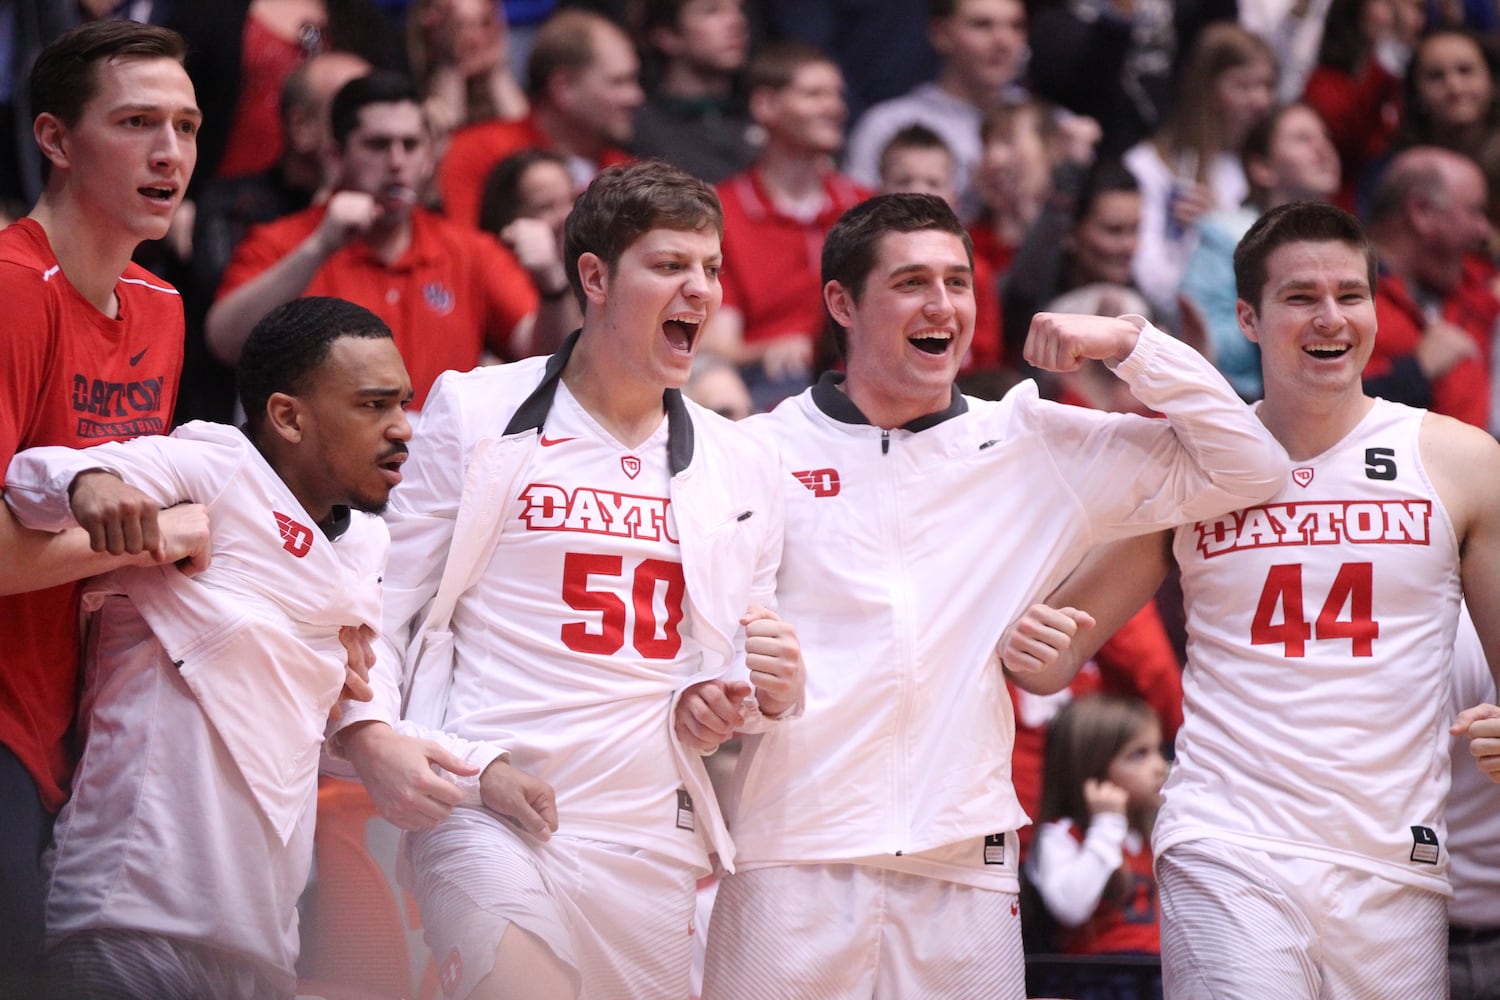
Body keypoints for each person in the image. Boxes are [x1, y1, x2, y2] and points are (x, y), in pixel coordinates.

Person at [692, 192, 1288, 1000]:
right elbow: (713, 643)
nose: (943, 305)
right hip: (790, 858)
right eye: (910, 282)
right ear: (842, 302)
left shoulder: (1029, 439)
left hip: (965, 870)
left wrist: (1131, 345)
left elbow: (1250, 467)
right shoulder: (753, 452)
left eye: (958, 282)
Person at [1000, 201, 1500, 997]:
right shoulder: (1197, 465)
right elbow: (1057, 656)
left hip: (1393, 855)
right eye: (1301, 297)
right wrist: (1029, 641)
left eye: (1350, 294)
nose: (1330, 317)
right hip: (1228, 840)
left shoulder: (1463, 460)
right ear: (1249, 318)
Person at [332, 160, 805, 999]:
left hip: (649, 832)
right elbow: (383, 598)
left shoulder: (746, 461)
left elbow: (736, 666)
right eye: (670, 266)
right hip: (483, 795)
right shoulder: (478, 410)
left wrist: (749, 688)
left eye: (711, 268)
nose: (700, 289)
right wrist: (369, 733)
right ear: (593, 276)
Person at [5, 296, 411, 1000]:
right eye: (374, 406)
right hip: (124, 920)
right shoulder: (211, 465)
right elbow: (30, 476)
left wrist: (383, 732)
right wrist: (91, 481)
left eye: (403, 403)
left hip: (262, 943)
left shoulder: (371, 540)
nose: (403, 427)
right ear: (288, 416)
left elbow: (358, 699)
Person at [0, 21, 205, 989]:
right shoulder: (11, 290)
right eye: (136, 123)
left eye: (188, 125)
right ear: (55, 137)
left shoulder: (160, 308)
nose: (171, 153)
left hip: (70, 719)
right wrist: (172, 534)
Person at [207, 70, 568, 412]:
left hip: (441, 465)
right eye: (378, 145)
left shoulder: (469, 250)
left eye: (410, 145)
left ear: (428, 156)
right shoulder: (285, 241)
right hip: (317, 467)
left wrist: (552, 285)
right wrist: (319, 248)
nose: (397, 162)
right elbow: (225, 342)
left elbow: (546, 361)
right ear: (335, 155)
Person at [705, 40, 871, 411]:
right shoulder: (723, 212)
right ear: (765, 105)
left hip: (862, 380)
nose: (835, 107)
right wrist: (776, 347)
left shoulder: (865, 207)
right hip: (767, 387)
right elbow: (718, 347)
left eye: (836, 95)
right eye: (814, 94)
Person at [1179, 101, 1342, 400]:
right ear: (1262, 168)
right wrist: (1286, 322)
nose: (1324, 150)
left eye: (1326, 137)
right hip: (1244, 407)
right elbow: (1204, 341)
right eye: (1302, 139)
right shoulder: (1226, 236)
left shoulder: (1348, 244)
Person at [437, 8, 641, 228]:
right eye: (619, 82)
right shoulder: (475, 152)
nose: (636, 97)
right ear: (563, 87)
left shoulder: (627, 174)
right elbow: (461, 251)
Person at [842, 0, 1029, 221]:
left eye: (1016, 26)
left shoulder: (1051, 122)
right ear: (941, 33)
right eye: (982, 25)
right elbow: (855, 233)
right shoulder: (888, 124)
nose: (1003, 41)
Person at [1364, 145, 1496, 432]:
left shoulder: (1473, 283)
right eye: (1474, 212)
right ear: (1420, 211)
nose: (1484, 230)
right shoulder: (1339, 301)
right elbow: (1313, 410)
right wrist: (1416, 372)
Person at [1028, 695, 1166, 968]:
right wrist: (1107, 825)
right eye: (1139, 754)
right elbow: (1071, 907)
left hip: (1155, 976)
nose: (1159, 766)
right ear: (1092, 768)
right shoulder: (1061, 837)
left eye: (1158, 750)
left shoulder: (1151, 832)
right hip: (1098, 980)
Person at [877, 123, 1002, 374]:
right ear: (878, 192)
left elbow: (987, 358)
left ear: (954, 196)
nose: (917, 192)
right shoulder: (863, 267)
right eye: (904, 180)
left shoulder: (977, 273)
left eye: (933, 182)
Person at [632, 0, 758, 185]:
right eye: (711, 11)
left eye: (739, 9)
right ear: (667, 36)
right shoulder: (636, 127)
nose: (737, 21)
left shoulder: (763, 112)